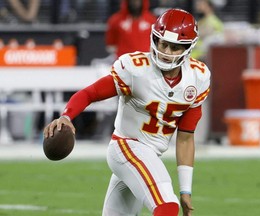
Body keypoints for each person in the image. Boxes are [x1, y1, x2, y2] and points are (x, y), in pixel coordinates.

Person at [44, 8, 211, 216]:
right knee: (167, 205)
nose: (166, 52)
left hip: (148, 155)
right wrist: (66, 116)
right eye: (163, 44)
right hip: (126, 146)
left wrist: (186, 190)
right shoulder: (136, 69)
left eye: (175, 47)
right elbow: (91, 93)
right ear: (154, 39)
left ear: (187, 48)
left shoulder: (198, 77)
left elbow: (186, 137)